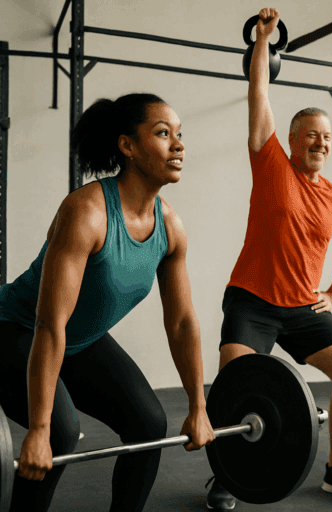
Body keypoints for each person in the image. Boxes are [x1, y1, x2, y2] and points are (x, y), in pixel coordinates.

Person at [0, 93, 216, 512]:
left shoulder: (170, 227)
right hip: (16, 330)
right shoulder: (87, 212)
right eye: (163, 133)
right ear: (127, 146)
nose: (178, 145)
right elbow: (49, 324)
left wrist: (198, 406)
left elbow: (182, 323)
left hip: (79, 339)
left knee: (149, 423)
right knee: (59, 433)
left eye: (180, 134)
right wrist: (39, 431)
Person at [204, 8, 332, 510]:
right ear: (292, 140)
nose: (321, 142)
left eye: (327, 137)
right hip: (252, 300)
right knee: (235, 386)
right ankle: (228, 475)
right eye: (312, 134)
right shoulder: (270, 160)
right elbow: (259, 92)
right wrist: (263, 42)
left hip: (303, 307)